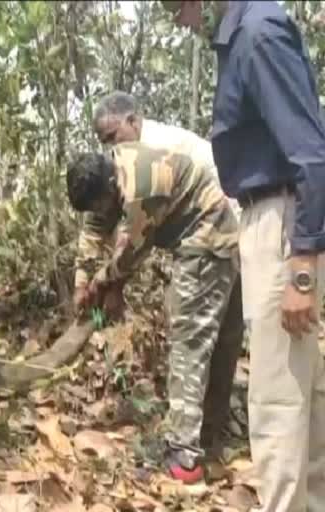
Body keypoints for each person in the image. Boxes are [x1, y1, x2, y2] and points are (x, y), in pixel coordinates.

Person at [168, 1, 325, 510]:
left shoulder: (257, 35)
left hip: (281, 221)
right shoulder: (243, 38)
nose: (178, 19)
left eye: (178, 6)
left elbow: (310, 152)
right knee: (306, 396)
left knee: (276, 398)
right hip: (270, 218)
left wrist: (301, 263)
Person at [68, 142, 244, 484]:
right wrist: (80, 283)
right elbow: (93, 231)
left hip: (207, 236)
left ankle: (184, 455)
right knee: (219, 341)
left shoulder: (139, 185)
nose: (101, 212)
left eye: (100, 204)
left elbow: (132, 251)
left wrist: (101, 284)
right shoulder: (108, 173)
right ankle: (206, 439)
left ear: (108, 187)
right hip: (207, 235)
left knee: (190, 343)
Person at [91, 91, 241, 218]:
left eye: (113, 136)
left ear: (133, 121)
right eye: (106, 141)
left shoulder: (158, 147)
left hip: (228, 206)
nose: (112, 146)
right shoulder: (137, 153)